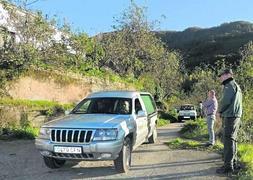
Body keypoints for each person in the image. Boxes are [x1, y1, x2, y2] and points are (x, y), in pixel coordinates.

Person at [216, 69, 243, 175]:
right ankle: (234, 163)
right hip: (236, 116)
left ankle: (228, 167)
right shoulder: (236, 85)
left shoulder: (229, 85)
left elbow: (226, 100)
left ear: (228, 75)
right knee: (233, 140)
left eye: (221, 75)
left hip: (230, 116)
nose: (220, 78)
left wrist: (220, 111)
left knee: (228, 140)